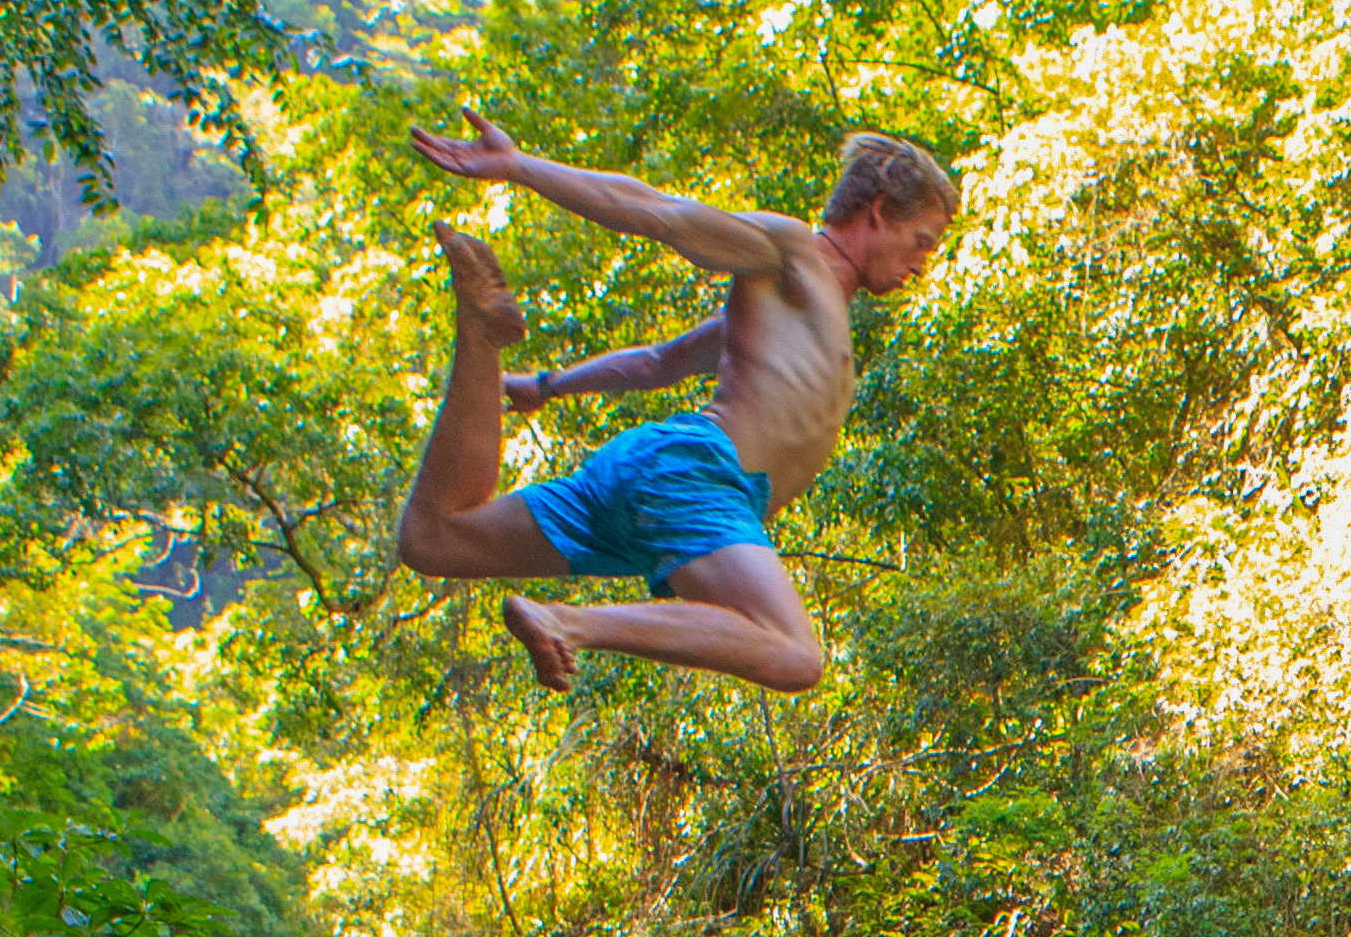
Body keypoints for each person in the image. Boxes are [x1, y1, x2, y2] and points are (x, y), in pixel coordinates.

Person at [391, 115, 958, 693]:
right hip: (697, 475)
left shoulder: (789, 310)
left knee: (434, 539)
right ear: (880, 211)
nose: (922, 264)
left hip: (652, 488)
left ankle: (479, 340)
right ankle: (563, 621)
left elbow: (660, 361)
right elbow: (656, 212)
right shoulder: (790, 254)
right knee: (794, 656)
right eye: (922, 242)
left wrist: (548, 384)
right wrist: (518, 167)